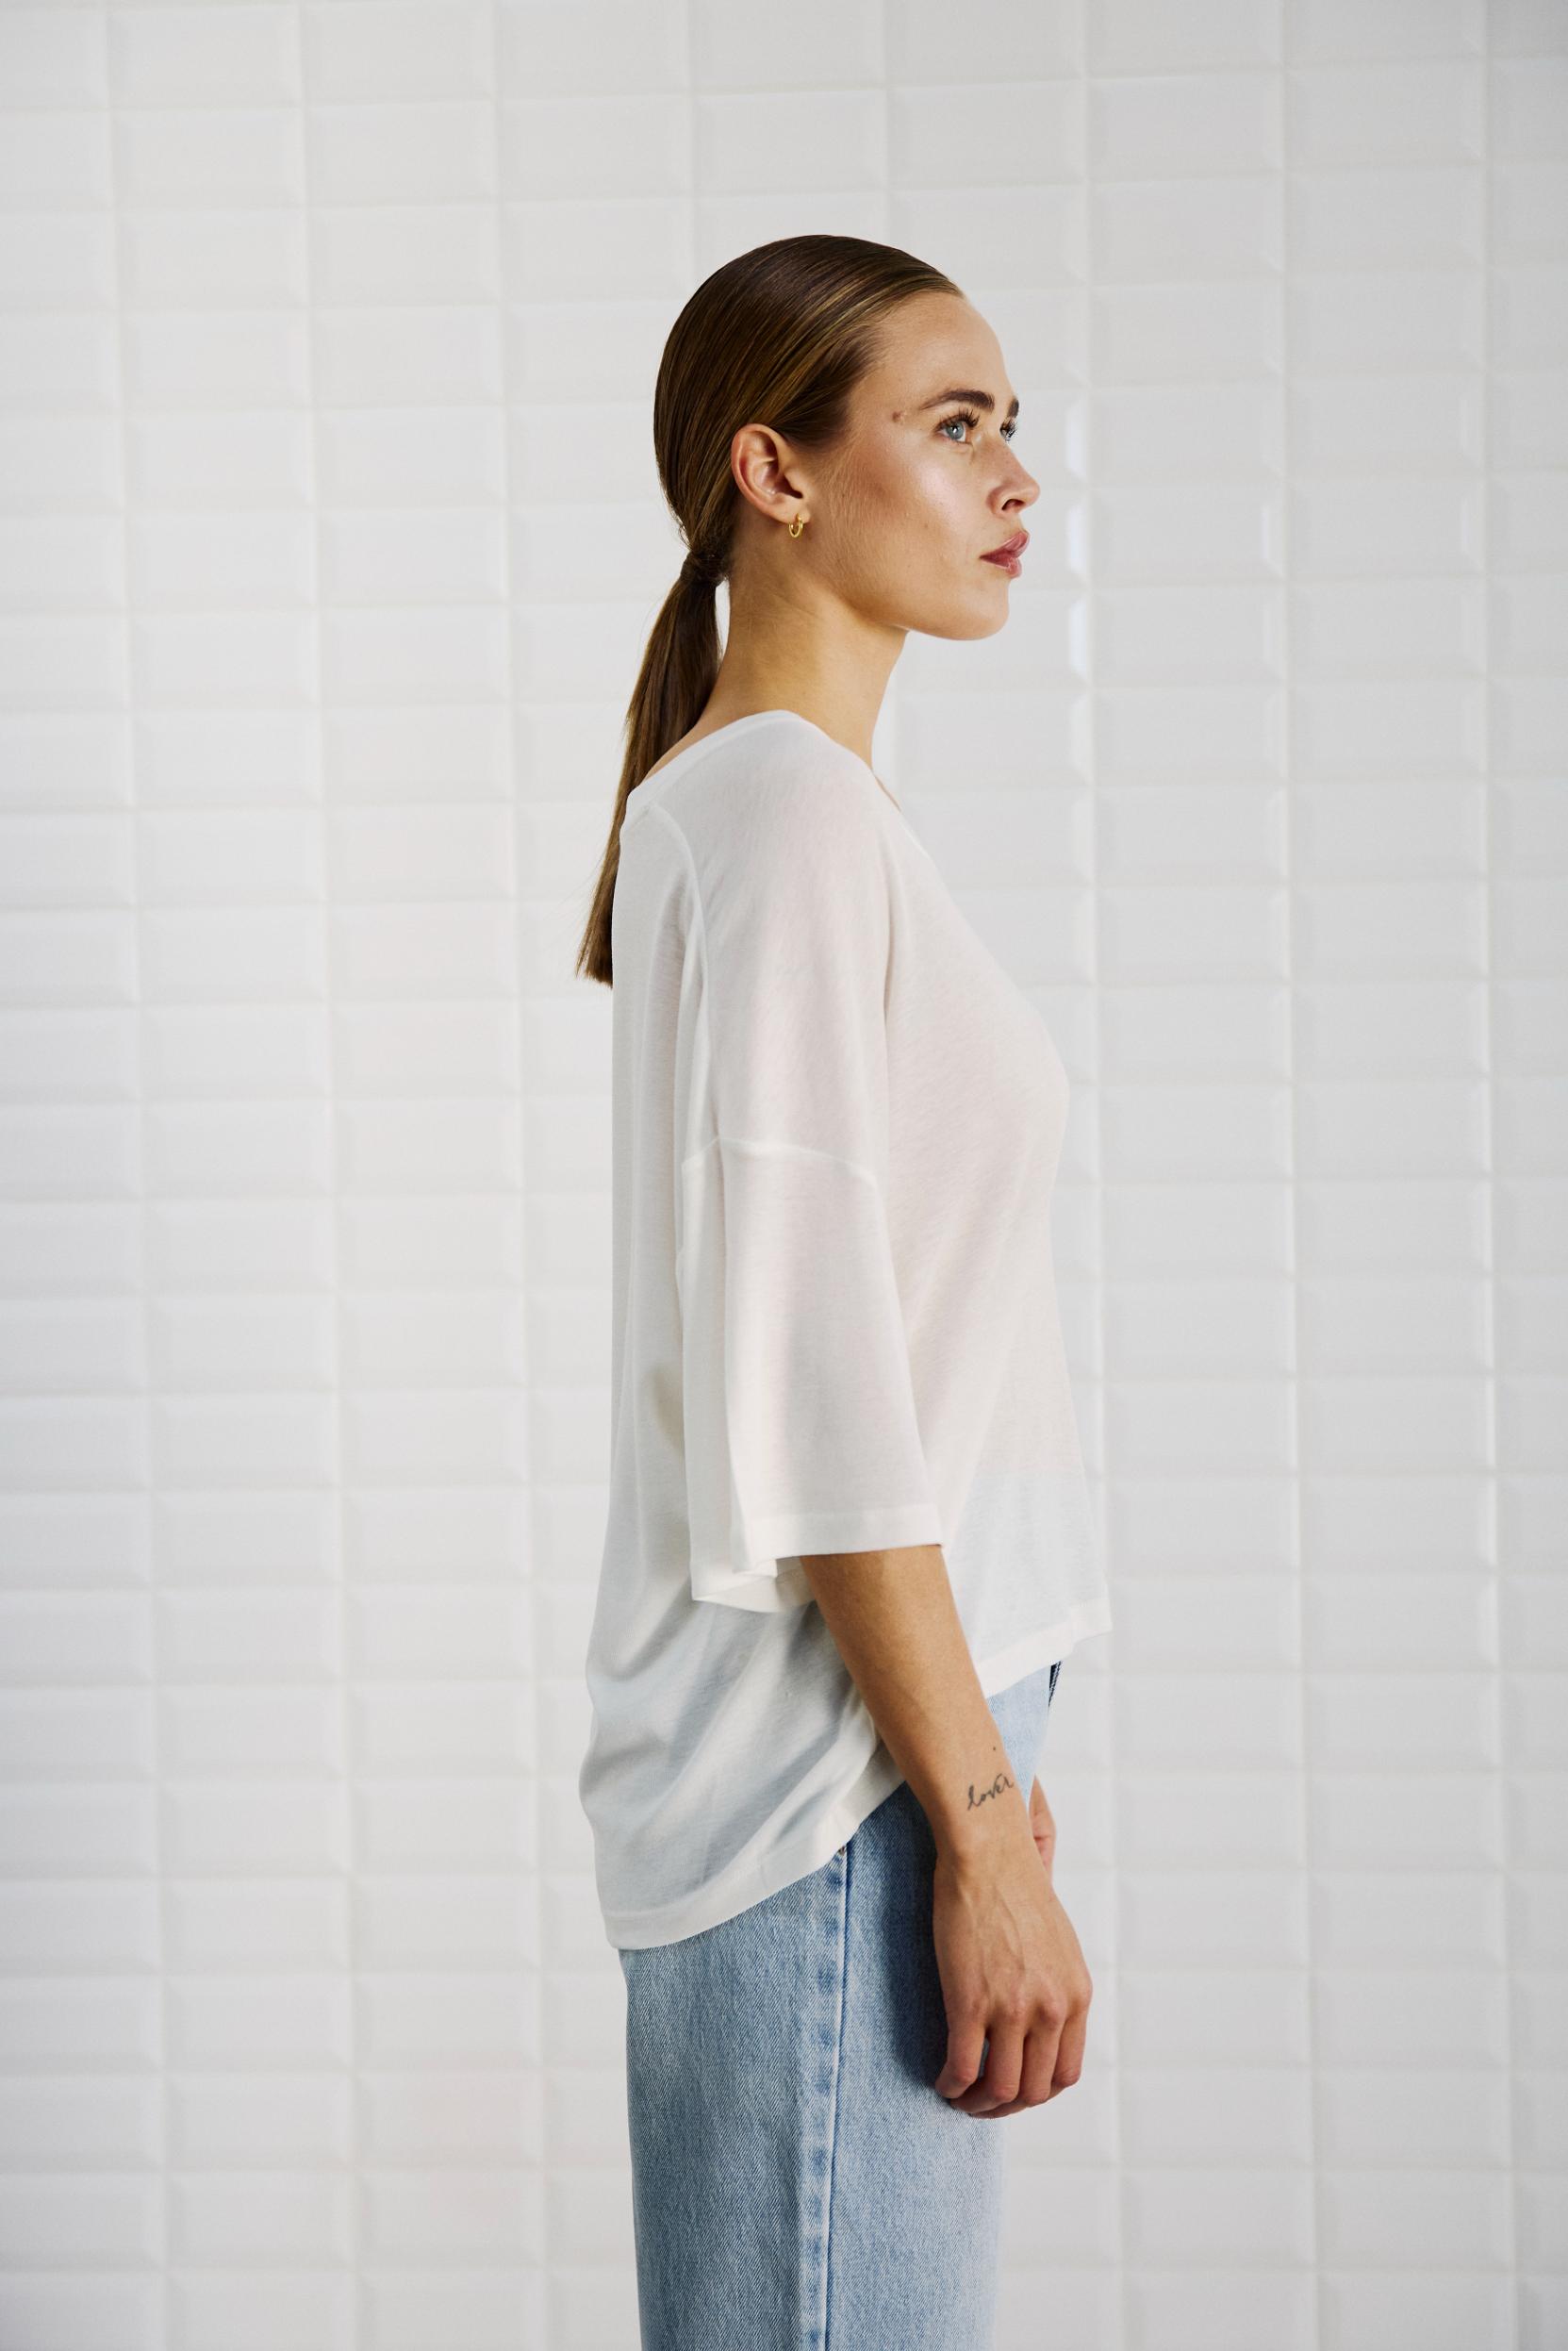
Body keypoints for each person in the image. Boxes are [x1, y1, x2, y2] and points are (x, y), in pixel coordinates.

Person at [572, 233, 1114, 2351]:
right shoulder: (783, 811)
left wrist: (975, 1754)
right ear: (775, 471)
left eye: (1013, 428)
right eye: (955, 422)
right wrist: (971, 1818)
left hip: (879, 1752)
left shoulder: (787, 809)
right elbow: (815, 1394)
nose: (1015, 476)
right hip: (833, 1787)